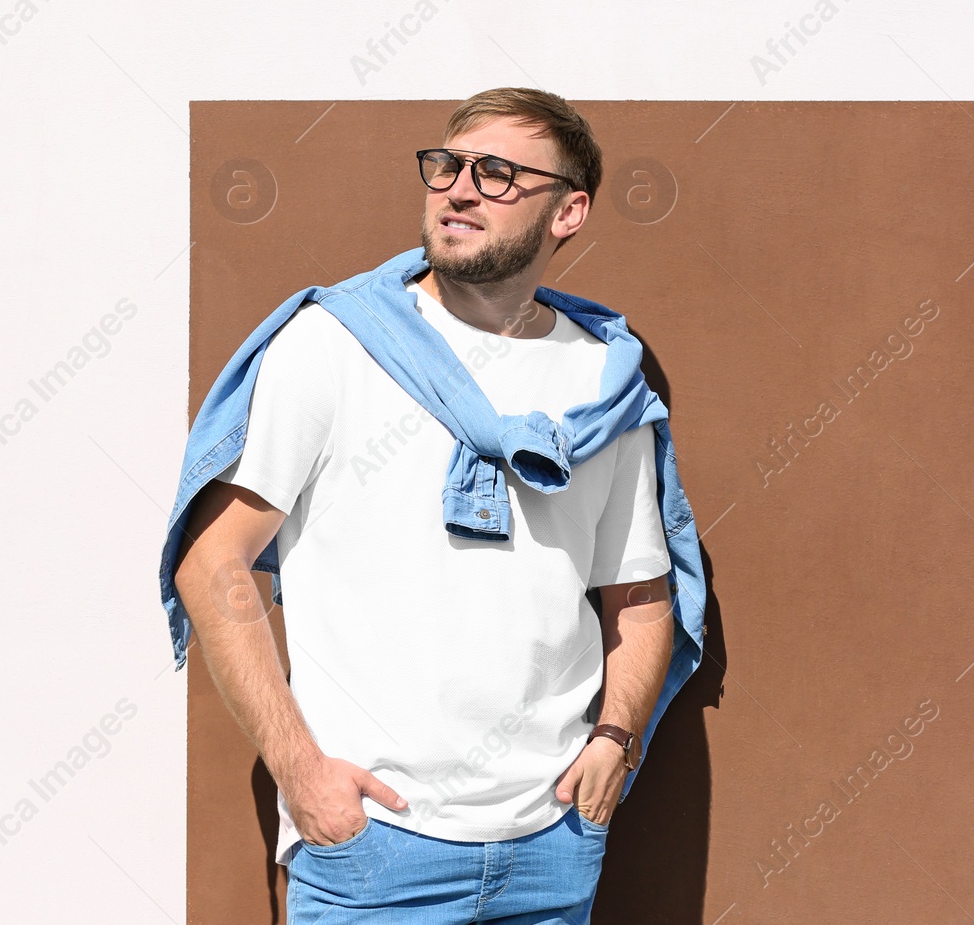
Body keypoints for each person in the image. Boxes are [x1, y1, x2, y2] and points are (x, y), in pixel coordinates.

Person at [171, 87, 684, 923]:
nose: (459, 188)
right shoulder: (335, 345)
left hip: (552, 845)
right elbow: (212, 558)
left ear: (569, 210)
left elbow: (640, 592)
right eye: (447, 166)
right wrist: (301, 771)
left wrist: (614, 748)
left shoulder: (603, 384)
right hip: (375, 844)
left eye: (498, 173)